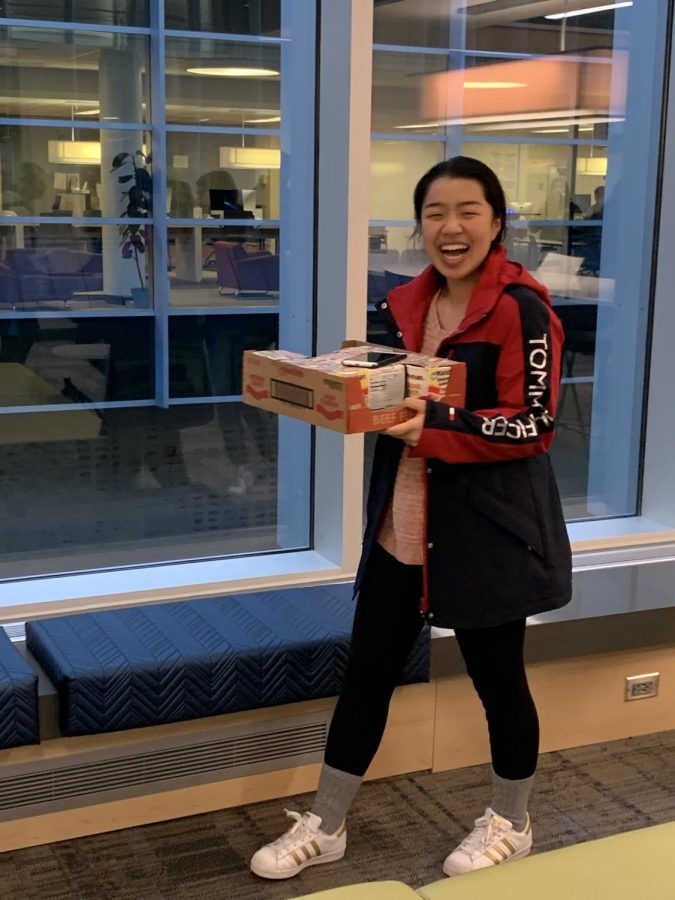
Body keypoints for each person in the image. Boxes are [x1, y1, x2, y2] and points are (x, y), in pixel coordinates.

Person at [250, 156, 572, 881]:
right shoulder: (404, 304)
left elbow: (534, 424)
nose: (449, 228)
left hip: (484, 530)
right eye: (434, 213)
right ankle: (326, 823)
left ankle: (511, 820)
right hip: (402, 525)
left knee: (498, 683)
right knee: (364, 675)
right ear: (418, 223)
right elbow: (392, 392)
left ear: (495, 222)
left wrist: (431, 424)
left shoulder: (524, 310)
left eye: (466, 212)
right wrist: (337, 391)